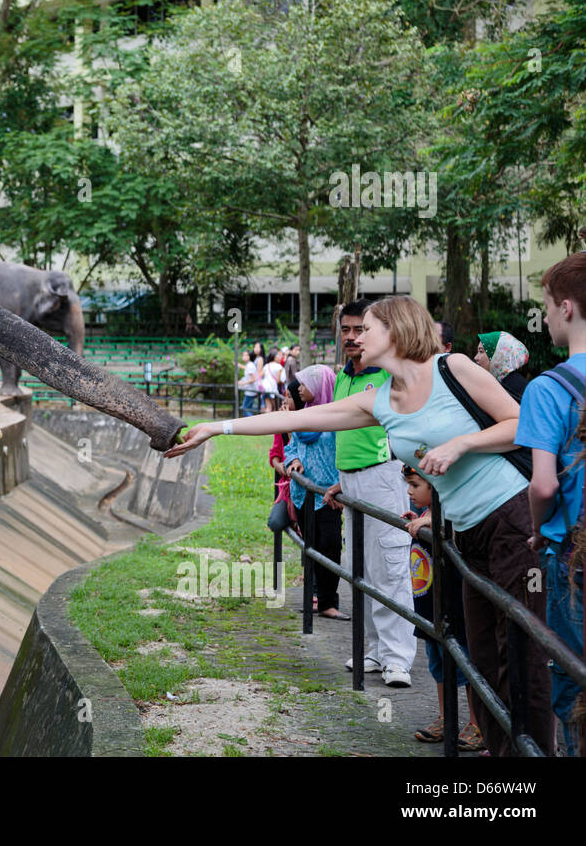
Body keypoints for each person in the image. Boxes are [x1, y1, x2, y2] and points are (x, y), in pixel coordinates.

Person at [168, 294, 554, 755]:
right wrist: (217, 428)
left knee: (521, 653)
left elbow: (520, 423)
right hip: (464, 533)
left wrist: (462, 445)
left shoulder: (452, 369)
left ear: (394, 330)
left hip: (510, 517)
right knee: (482, 659)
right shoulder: (380, 401)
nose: (354, 337)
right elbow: (300, 416)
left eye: (365, 328)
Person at [327, 299, 417, 687]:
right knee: (360, 567)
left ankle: (399, 658)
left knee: (391, 568)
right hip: (350, 481)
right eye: (345, 329)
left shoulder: (388, 375)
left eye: (358, 330)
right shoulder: (343, 376)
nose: (351, 337)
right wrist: (342, 479)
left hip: (383, 478)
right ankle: (374, 650)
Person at [517, 253, 586, 755]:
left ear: (566, 308)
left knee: (574, 677)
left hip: (574, 555)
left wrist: (540, 529)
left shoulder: (548, 387)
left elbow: (543, 486)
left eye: (545, 306)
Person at [401, 465, 483, 752]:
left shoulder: (451, 515)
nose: (409, 491)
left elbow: (451, 533)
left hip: (453, 605)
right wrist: (421, 521)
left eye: (415, 485)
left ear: (436, 488)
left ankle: (477, 723)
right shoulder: (427, 516)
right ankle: (446, 716)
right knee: (437, 660)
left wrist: (431, 523)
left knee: (464, 659)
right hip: (429, 605)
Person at [282, 366, 347, 620]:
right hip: (303, 495)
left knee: (329, 547)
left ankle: (329, 602)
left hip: (328, 496)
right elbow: (292, 446)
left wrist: (343, 484)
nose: (299, 389)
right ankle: (314, 597)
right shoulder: (303, 416)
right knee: (309, 547)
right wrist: (294, 460)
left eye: (305, 383)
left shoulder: (336, 420)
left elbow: (345, 454)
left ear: (320, 387)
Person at [475, 330, 529, 403]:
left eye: (481, 352)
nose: (476, 358)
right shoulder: (494, 381)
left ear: (498, 355)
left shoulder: (516, 388)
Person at [239, 352, 260, 417]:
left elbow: (253, 379)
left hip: (251, 391)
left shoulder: (250, 365)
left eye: (245, 355)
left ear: (249, 356)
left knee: (244, 409)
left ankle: (254, 424)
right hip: (250, 391)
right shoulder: (249, 365)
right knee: (248, 409)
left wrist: (243, 383)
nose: (243, 357)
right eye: (243, 355)